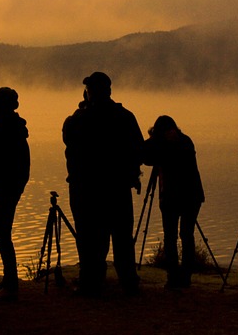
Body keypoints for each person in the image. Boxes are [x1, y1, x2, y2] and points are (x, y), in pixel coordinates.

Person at [62, 71, 144, 296]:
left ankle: (91, 282)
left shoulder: (79, 119)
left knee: (89, 238)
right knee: (122, 237)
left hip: (86, 189)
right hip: (117, 187)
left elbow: (67, 136)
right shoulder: (125, 116)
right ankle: (128, 281)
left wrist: (81, 109)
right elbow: (139, 149)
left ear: (90, 93)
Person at [142, 115, 205, 288]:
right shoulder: (186, 141)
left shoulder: (161, 145)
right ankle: (185, 276)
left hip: (171, 196)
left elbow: (144, 156)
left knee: (170, 237)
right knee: (187, 235)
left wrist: (153, 138)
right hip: (192, 196)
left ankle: (173, 277)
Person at [0, 86, 30, 300]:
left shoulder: (5, 129)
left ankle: (11, 284)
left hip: (5, 185)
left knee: (1, 233)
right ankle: (9, 278)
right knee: (2, 233)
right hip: (11, 183)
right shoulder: (13, 127)